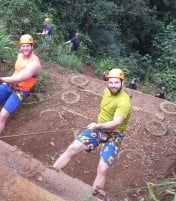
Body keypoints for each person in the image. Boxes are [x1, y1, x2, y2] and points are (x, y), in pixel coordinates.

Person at [52, 68, 132, 200]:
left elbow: (116, 123)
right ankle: (52, 172)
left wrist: (97, 125)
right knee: (73, 148)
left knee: (102, 167)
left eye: (116, 83)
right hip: (99, 129)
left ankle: (92, 198)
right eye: (111, 82)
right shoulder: (107, 91)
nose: (113, 85)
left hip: (113, 135)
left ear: (123, 82)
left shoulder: (124, 102)